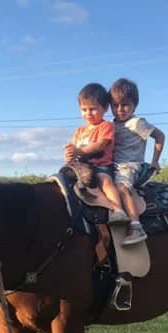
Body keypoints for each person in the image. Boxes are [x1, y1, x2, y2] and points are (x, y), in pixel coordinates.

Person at [63, 83, 130, 227]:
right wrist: (69, 154)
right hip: (80, 168)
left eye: (93, 109)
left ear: (105, 108)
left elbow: (100, 145)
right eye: (84, 109)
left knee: (105, 182)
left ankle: (118, 210)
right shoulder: (79, 130)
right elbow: (73, 148)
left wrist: (79, 151)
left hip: (101, 166)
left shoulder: (106, 126)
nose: (88, 113)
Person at [109, 77, 166, 246]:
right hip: (113, 165)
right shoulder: (110, 125)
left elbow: (160, 136)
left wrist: (155, 161)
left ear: (134, 105)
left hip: (130, 165)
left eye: (125, 105)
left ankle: (136, 226)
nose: (120, 109)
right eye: (115, 105)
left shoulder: (137, 123)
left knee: (121, 186)